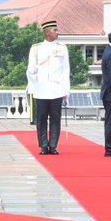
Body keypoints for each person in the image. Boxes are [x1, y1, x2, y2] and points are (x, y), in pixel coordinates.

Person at [27, 20, 70, 155]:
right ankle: (43, 145)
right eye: (54, 30)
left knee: (55, 118)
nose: (57, 32)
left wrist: (66, 90)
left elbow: (66, 70)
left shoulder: (62, 48)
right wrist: (32, 72)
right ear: (47, 32)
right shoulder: (36, 49)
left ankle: (53, 145)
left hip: (56, 89)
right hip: (41, 89)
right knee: (41, 118)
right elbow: (30, 70)